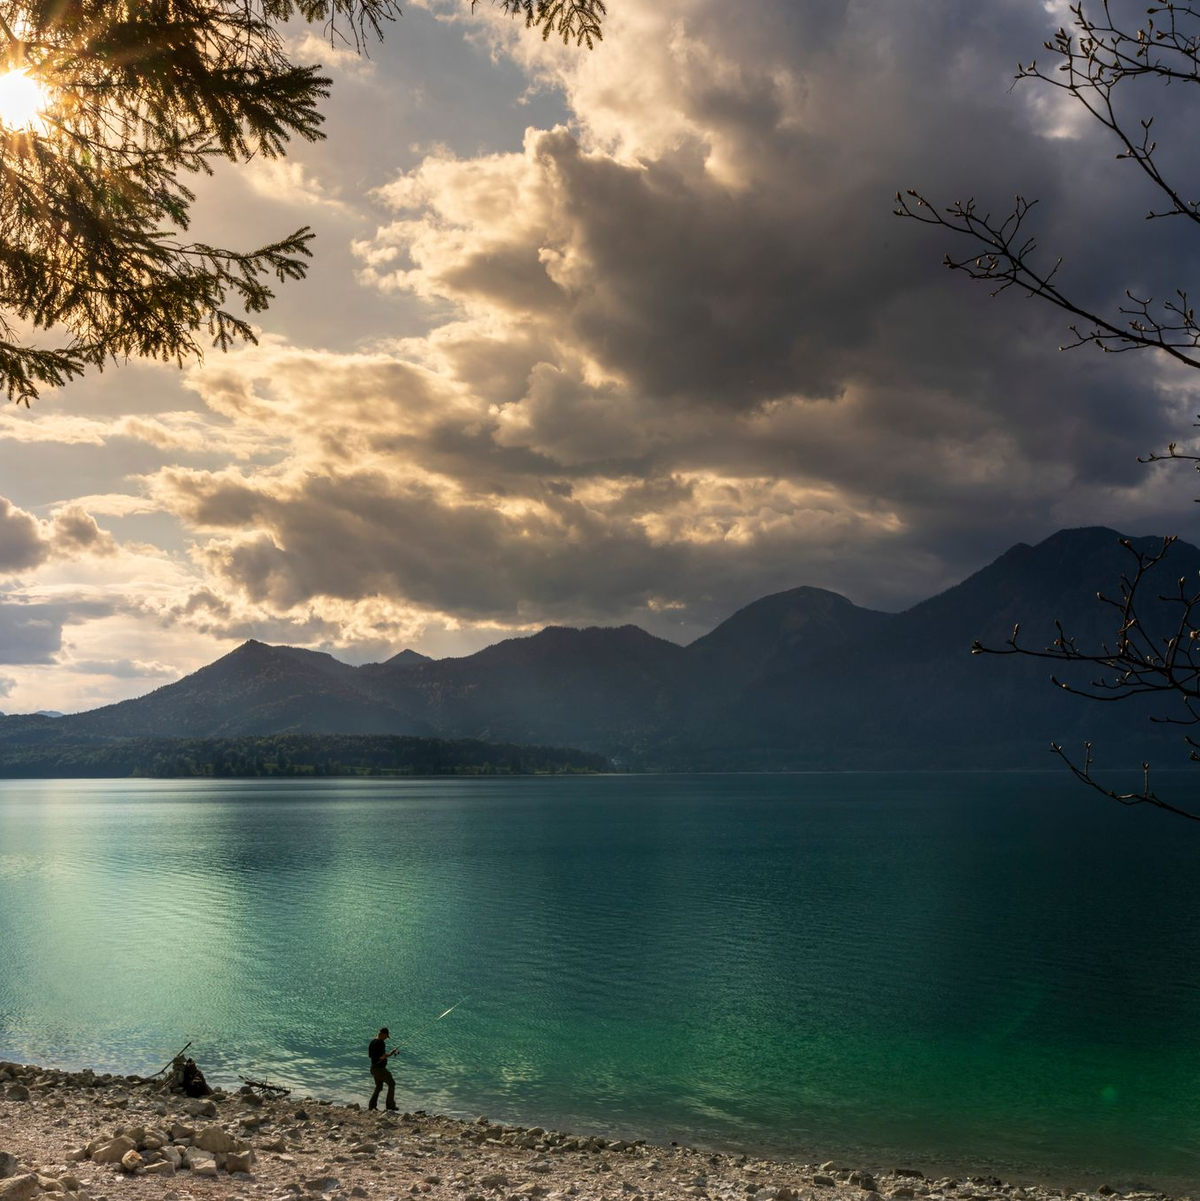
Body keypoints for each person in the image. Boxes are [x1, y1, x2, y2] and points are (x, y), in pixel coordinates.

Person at [367, 1026, 398, 1111]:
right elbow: (382, 1056)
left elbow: (370, 1056)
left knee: (378, 1087)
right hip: (379, 1069)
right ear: (383, 1034)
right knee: (392, 1084)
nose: (386, 1038)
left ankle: (372, 1106)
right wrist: (391, 1053)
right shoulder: (380, 1043)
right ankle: (390, 1105)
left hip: (373, 1068)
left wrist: (384, 1056)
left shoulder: (372, 1042)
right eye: (386, 1036)